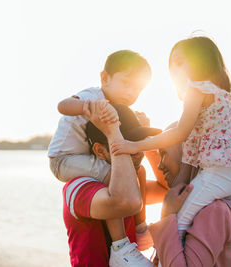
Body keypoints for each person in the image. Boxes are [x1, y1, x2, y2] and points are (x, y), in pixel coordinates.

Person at [111, 36, 231, 240]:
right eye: (172, 64)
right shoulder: (218, 92)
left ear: (201, 62)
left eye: (179, 62)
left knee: (178, 222)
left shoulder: (197, 89)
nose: (174, 70)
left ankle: (160, 252)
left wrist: (134, 145)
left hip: (221, 171)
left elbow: (179, 133)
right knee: (181, 213)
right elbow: (191, 152)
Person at [48, 50, 155, 253]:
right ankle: (121, 246)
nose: (132, 92)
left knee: (137, 171)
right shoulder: (94, 96)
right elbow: (62, 105)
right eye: (126, 83)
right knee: (114, 178)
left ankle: (140, 226)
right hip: (64, 160)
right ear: (104, 78)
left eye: (138, 88)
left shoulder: (119, 107)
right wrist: (88, 107)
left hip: (86, 158)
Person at [62, 102, 161, 267]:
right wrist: (114, 132)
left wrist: (147, 144)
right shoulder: (79, 187)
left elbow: (165, 188)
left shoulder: (133, 179)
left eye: (137, 143)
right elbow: (123, 201)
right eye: (126, 144)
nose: (137, 153)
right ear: (100, 151)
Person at [146, 140, 231, 267]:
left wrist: (167, 215)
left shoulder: (215, 210)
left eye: (164, 154)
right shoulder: (190, 205)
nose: (159, 166)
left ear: (187, 157)